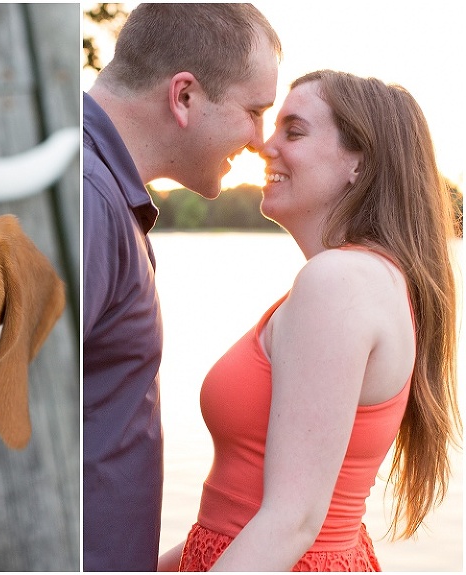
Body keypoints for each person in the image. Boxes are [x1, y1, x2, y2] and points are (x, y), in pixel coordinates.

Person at [159, 70, 462, 571]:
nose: (263, 145)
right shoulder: (356, 279)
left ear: (359, 164)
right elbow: (233, 520)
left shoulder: (339, 282)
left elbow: (292, 522)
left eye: (292, 132)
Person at [83, 4, 281, 571]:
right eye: (254, 111)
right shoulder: (91, 199)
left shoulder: (103, 193)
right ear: (184, 96)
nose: (260, 140)